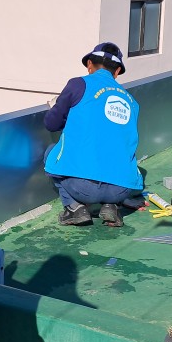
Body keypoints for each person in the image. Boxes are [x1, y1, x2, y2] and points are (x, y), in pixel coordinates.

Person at [44, 42, 144, 227]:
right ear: (117, 71)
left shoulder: (78, 84)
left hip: (83, 188)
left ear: (89, 64)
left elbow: (51, 124)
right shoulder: (132, 102)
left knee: (51, 151)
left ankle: (74, 208)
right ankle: (111, 206)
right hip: (121, 190)